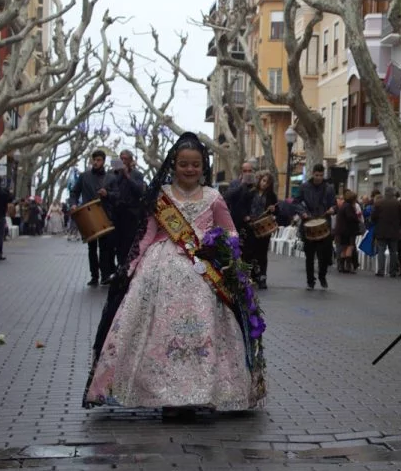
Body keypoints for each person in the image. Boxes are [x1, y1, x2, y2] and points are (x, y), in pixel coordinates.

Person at [83, 132, 266, 416]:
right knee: (160, 329)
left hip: (204, 270)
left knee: (205, 327)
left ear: (203, 166)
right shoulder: (161, 197)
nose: (189, 169)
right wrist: (131, 267)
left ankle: (202, 392)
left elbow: (230, 231)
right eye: (183, 164)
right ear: (174, 165)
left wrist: (224, 253)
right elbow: (147, 236)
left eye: (195, 164)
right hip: (160, 271)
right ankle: (165, 394)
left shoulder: (214, 197)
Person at [69, 150, 117, 286]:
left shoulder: (111, 177)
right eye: (94, 160)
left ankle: (105, 275)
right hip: (88, 217)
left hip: (105, 217)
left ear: (103, 161)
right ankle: (94, 276)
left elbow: (117, 196)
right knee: (91, 248)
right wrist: (73, 204)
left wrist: (107, 194)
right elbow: (74, 192)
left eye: (99, 160)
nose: (96, 162)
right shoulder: (84, 176)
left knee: (104, 248)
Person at [296, 164, 337, 290]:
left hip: (324, 224)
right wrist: (302, 212)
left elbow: (334, 205)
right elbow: (296, 202)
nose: (319, 177)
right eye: (316, 175)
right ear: (312, 174)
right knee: (309, 256)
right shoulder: (304, 187)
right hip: (309, 223)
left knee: (324, 256)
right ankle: (310, 281)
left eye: (321, 175)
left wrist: (332, 209)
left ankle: (322, 276)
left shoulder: (329, 188)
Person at [234, 171, 278, 289]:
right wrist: (245, 216)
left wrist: (273, 209)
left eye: (268, 183)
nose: (265, 184)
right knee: (249, 253)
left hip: (263, 228)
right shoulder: (250, 193)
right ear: (260, 181)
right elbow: (241, 207)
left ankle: (262, 277)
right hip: (250, 226)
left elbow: (277, 210)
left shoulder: (271, 196)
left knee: (262, 254)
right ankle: (250, 276)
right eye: (264, 181)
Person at [105, 160, 145, 267]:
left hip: (132, 214)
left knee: (129, 243)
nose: (122, 162)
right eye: (121, 159)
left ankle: (129, 266)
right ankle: (118, 267)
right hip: (116, 214)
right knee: (116, 243)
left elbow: (140, 191)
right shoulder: (112, 175)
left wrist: (127, 176)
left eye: (125, 159)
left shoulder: (137, 174)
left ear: (130, 160)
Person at [371, 186, 401, 278]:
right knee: (393, 252)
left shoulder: (379, 203)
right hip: (394, 231)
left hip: (381, 231)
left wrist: (378, 222)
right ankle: (392, 271)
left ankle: (381, 270)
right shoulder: (398, 204)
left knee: (381, 251)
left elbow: (373, 217)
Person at [334, 190, 360, 273]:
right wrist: (357, 218)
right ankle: (347, 266)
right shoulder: (349, 207)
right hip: (347, 230)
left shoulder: (343, 206)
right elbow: (350, 217)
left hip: (341, 230)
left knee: (343, 248)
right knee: (349, 247)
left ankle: (341, 266)